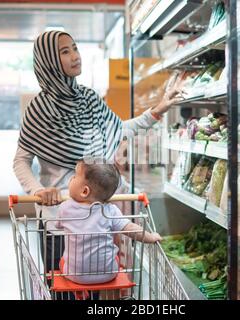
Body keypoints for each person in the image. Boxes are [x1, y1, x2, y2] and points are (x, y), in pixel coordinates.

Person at [13, 30, 182, 275]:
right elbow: (21, 161)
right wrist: (38, 190)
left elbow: (117, 129)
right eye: (64, 51)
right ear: (48, 61)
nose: (75, 56)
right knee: (62, 288)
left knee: (98, 288)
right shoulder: (37, 111)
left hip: (99, 217)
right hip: (59, 218)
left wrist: (156, 112)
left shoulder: (90, 99)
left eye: (75, 48)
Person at [53, 158, 161, 286]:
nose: (71, 178)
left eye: (75, 176)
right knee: (115, 256)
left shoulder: (66, 208)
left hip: (75, 276)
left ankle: (78, 290)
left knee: (62, 261)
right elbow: (131, 228)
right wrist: (151, 237)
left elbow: (58, 226)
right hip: (109, 274)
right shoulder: (110, 210)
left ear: (84, 191)